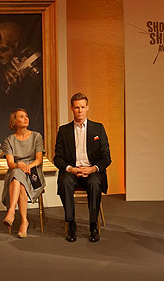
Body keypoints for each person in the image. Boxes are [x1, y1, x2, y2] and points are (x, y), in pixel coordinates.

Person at [53, 93, 111, 243]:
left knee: (94, 183)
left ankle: (93, 225)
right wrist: (71, 169)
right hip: (72, 171)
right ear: (72, 108)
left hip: (91, 171)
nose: (80, 110)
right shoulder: (64, 130)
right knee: (65, 182)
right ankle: (71, 223)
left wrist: (92, 169)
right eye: (77, 107)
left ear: (87, 108)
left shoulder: (98, 128)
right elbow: (57, 158)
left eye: (83, 107)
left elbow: (106, 158)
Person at [1, 108, 45, 238]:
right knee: (17, 175)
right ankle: (24, 221)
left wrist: (27, 167)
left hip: (33, 172)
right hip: (16, 170)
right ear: (14, 121)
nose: (26, 118)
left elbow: (39, 159)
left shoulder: (36, 136)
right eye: (21, 117)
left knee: (18, 175)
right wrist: (19, 165)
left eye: (26, 116)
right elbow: (10, 164)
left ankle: (11, 212)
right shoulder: (9, 140)